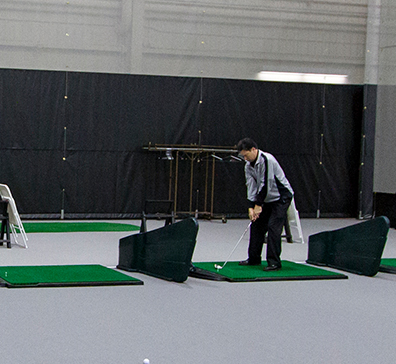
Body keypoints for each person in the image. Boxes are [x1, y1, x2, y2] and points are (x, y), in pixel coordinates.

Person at [237, 137, 293, 271]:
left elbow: (265, 184)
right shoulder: (248, 166)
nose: (245, 158)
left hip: (281, 197)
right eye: (242, 156)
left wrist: (258, 206)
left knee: (273, 227)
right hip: (266, 198)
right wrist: (250, 207)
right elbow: (251, 186)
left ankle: (274, 262)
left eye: (246, 155)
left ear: (253, 149)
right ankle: (254, 259)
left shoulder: (267, 160)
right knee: (256, 225)